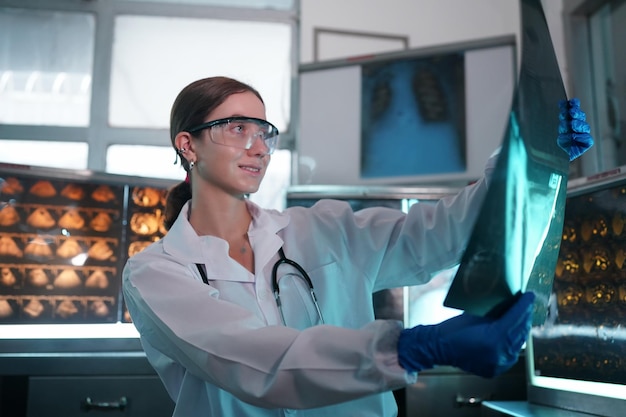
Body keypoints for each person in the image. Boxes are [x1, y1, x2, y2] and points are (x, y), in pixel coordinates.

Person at [122, 76, 592, 417]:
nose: (260, 147)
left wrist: (526, 163)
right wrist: (412, 348)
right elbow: (256, 360)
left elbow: (441, 232)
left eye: (264, 132)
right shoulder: (156, 273)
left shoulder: (323, 229)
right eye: (238, 128)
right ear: (189, 145)